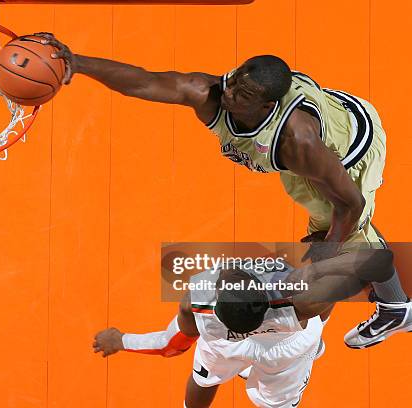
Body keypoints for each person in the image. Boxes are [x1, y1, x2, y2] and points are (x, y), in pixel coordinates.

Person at [35, 32, 412, 348]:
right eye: (234, 82)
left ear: (267, 105)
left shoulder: (300, 144)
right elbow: (144, 81)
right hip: (312, 141)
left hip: (348, 151)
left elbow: (350, 201)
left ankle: (397, 310)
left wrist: (325, 253)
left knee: (347, 237)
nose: (230, 96)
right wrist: (77, 62)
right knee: (330, 242)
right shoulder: (212, 91)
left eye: (243, 95)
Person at [93, 249, 393, 407]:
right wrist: (320, 266)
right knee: (278, 402)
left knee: (203, 380)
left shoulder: (198, 305)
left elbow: (171, 345)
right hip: (287, 349)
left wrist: (121, 340)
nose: (232, 270)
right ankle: (309, 350)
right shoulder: (299, 299)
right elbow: (372, 264)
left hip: (224, 345)